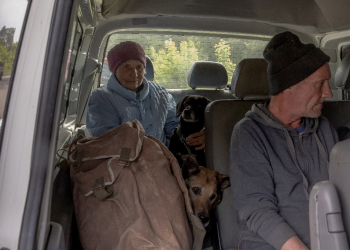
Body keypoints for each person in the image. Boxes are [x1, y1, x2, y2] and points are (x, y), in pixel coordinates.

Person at [229, 31, 339, 250]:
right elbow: (256, 209)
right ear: (288, 86)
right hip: (270, 243)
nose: (329, 93)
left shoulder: (324, 128)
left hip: (328, 238)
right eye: (320, 84)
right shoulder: (249, 134)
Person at [86, 41, 205, 149]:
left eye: (139, 67)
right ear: (114, 70)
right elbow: (106, 141)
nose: (134, 74)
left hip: (162, 162)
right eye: (126, 67)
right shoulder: (102, 98)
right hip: (123, 164)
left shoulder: (161, 94)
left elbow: (176, 130)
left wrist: (200, 135)